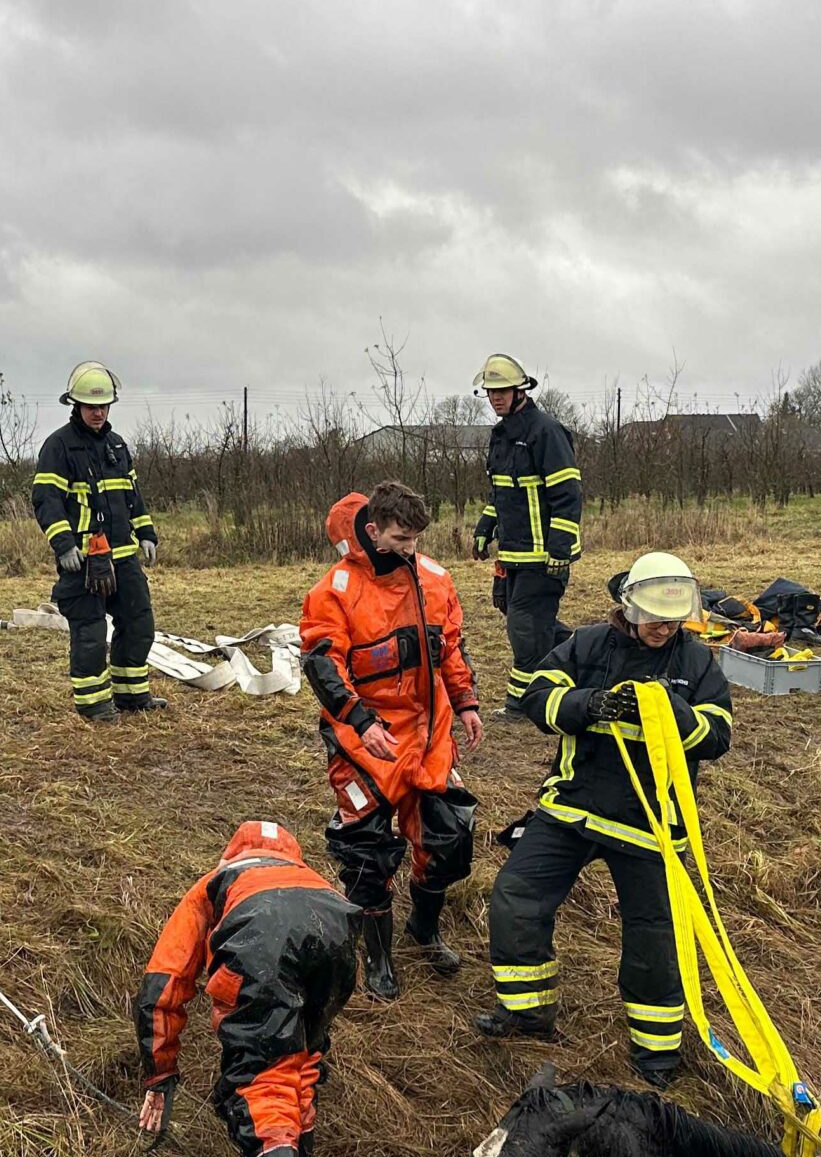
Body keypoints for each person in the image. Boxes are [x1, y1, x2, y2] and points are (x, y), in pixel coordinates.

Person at [474, 552, 734, 1086]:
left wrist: (673, 714)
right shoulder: (588, 644)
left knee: (654, 938)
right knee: (516, 898)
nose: (663, 628)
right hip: (573, 807)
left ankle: (656, 1054)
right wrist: (588, 705)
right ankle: (527, 1014)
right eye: (654, 618)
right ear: (629, 608)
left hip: (651, 825)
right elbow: (535, 697)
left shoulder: (696, 663)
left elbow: (718, 735)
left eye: (673, 619)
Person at [132, 821, 359, 1157]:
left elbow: (164, 985)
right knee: (301, 1063)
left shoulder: (217, 885)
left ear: (229, 856)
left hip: (263, 939)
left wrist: (160, 1074)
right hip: (338, 931)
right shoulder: (308, 877)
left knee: (261, 1079)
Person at [300, 481, 483, 1000]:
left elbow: (450, 647)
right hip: (365, 740)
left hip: (430, 732)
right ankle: (377, 957)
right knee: (367, 853)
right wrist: (360, 721)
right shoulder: (334, 590)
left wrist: (466, 702)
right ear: (375, 530)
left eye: (417, 539)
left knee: (449, 839)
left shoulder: (435, 580)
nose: (410, 549)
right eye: (401, 538)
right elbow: (323, 664)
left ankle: (423, 930)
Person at [33, 361, 163, 722]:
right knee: (89, 632)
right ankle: (93, 705)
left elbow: (133, 497)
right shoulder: (58, 447)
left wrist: (147, 534)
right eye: (91, 407)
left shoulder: (117, 446)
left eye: (103, 406)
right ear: (76, 405)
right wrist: (63, 544)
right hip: (84, 560)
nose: (98, 413)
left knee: (138, 623)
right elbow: (47, 500)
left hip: (123, 558)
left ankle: (133, 696)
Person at [468, 353, 583, 716]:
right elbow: (502, 493)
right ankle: (590, 655)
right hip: (515, 553)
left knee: (524, 629)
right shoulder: (501, 437)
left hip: (545, 556)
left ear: (520, 390)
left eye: (502, 390)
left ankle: (521, 704)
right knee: (535, 624)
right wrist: (486, 527)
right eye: (490, 392)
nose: (496, 398)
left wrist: (560, 547)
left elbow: (568, 493)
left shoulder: (546, 432)